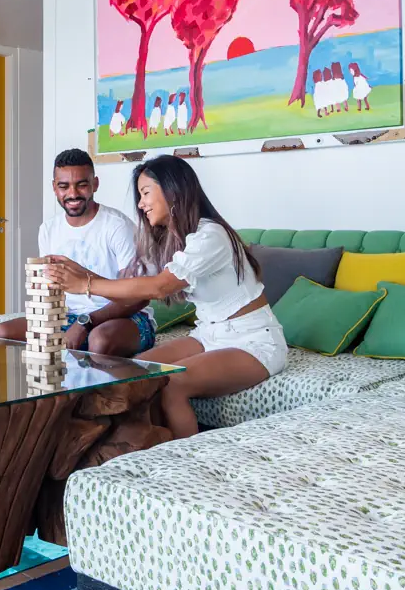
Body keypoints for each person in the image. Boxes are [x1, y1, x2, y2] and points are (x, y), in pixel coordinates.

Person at [44, 154, 286, 438]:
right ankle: (143, 446)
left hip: (253, 341)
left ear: (172, 191)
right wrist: (81, 273)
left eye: (146, 193)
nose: (141, 204)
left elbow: (158, 288)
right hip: (209, 334)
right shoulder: (176, 239)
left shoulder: (211, 236)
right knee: (136, 371)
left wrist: (85, 284)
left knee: (171, 383)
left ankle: (185, 460)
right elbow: (136, 285)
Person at [0, 149, 155, 357]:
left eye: (82, 185)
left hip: (125, 317)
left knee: (100, 341)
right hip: (68, 316)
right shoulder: (48, 230)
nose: (73, 194)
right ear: (54, 187)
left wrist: (85, 323)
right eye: (64, 186)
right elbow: (51, 289)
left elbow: (137, 298)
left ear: (95, 184)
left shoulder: (118, 227)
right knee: (0, 334)